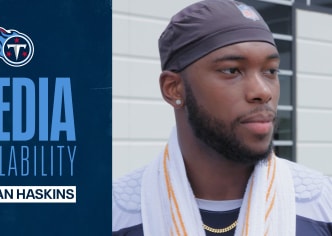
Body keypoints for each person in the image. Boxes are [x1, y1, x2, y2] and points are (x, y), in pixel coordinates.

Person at [112, 0, 332, 235]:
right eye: (231, 70)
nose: (263, 92)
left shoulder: (321, 205)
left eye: (270, 71)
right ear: (173, 89)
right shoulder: (117, 213)